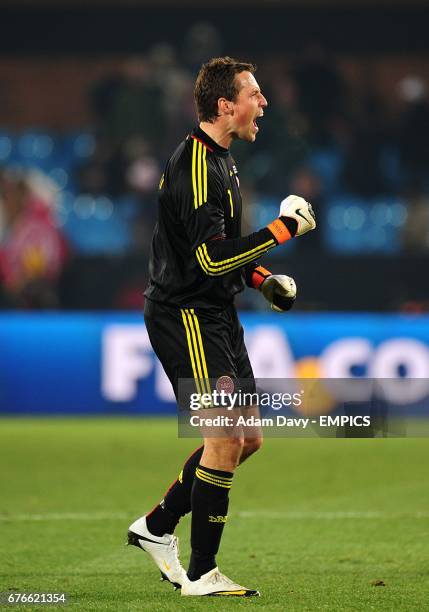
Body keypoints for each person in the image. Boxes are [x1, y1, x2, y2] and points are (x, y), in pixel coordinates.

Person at [127, 56, 316, 597]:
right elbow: (209, 260)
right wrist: (282, 229)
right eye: (254, 94)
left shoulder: (224, 162)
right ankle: (201, 573)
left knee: (248, 438)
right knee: (222, 437)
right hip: (184, 314)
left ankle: (157, 528)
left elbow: (219, 255)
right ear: (224, 105)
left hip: (216, 312)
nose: (264, 103)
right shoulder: (194, 168)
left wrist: (261, 280)